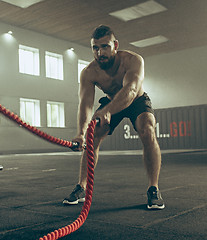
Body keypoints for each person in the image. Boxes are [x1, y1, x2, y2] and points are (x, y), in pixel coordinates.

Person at [63, 25, 164, 210]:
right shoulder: (89, 72)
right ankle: (81, 187)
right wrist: (81, 133)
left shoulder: (133, 60)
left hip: (136, 100)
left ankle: (153, 188)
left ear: (115, 45)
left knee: (147, 128)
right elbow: (85, 104)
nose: (100, 52)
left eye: (104, 46)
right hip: (110, 103)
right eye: (95, 48)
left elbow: (131, 90)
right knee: (93, 135)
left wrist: (108, 111)